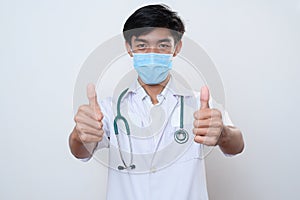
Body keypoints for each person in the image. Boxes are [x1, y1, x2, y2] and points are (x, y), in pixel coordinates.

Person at [69, 4, 244, 200]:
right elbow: (81, 152)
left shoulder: (199, 104)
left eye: (162, 45)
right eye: (142, 45)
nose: (152, 54)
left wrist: (223, 133)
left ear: (176, 48)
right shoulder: (109, 109)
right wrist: (80, 135)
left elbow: (236, 146)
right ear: (129, 48)